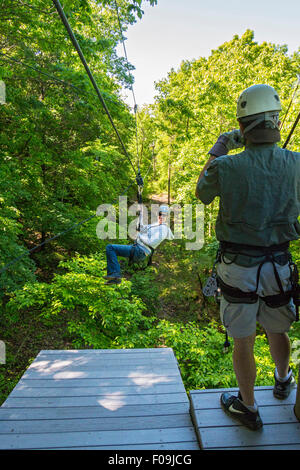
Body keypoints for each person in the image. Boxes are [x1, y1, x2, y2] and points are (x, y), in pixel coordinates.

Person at [195, 84, 300, 430]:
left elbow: (202, 191)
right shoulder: (296, 163)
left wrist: (222, 145)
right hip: (279, 267)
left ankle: (249, 407)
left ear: (243, 127)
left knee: (243, 339)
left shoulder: (227, 166)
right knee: (277, 328)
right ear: (275, 122)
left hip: (239, 268)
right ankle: (283, 379)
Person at [104, 204, 174, 284]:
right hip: (138, 248)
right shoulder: (155, 225)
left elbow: (151, 242)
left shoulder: (164, 229)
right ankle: (114, 277)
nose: (161, 216)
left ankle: (115, 275)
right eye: (160, 214)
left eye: (164, 215)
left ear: (167, 217)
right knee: (110, 248)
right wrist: (141, 214)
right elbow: (141, 228)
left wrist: (139, 236)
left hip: (140, 251)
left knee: (110, 248)